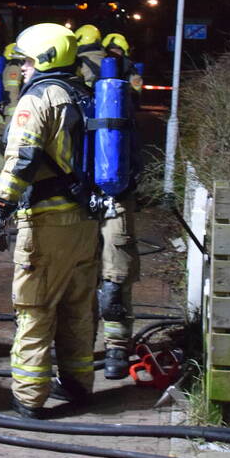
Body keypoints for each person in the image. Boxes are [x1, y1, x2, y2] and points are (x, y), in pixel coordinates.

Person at [0, 23, 99, 419]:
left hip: (47, 225)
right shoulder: (84, 94)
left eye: (28, 61)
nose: (23, 69)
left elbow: (22, 160)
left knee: (35, 308)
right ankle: (80, 385)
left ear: (44, 59)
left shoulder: (40, 99)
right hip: (85, 221)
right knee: (78, 307)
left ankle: (29, 398)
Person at [94, 32, 144, 380]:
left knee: (84, 274)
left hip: (77, 194)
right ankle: (116, 348)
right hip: (117, 194)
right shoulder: (123, 76)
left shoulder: (63, 78)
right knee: (115, 275)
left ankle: (80, 347)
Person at [0, 42, 23, 180]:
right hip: (9, 114)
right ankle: (3, 177)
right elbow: (12, 92)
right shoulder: (14, 68)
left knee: (0, 145)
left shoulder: (9, 66)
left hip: (3, 112)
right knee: (6, 145)